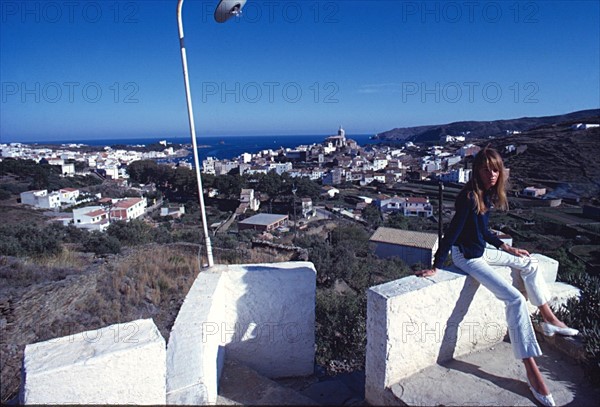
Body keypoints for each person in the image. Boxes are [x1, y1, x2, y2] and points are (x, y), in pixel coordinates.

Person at [416, 147, 578, 407]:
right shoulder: (469, 197)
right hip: (467, 257)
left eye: (495, 169)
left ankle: (549, 319)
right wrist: (437, 264)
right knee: (514, 299)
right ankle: (531, 369)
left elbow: (483, 231)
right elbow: (452, 233)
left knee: (530, 263)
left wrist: (506, 247)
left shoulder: (488, 195)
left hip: (483, 250)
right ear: (476, 170)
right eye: (485, 168)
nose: (491, 174)